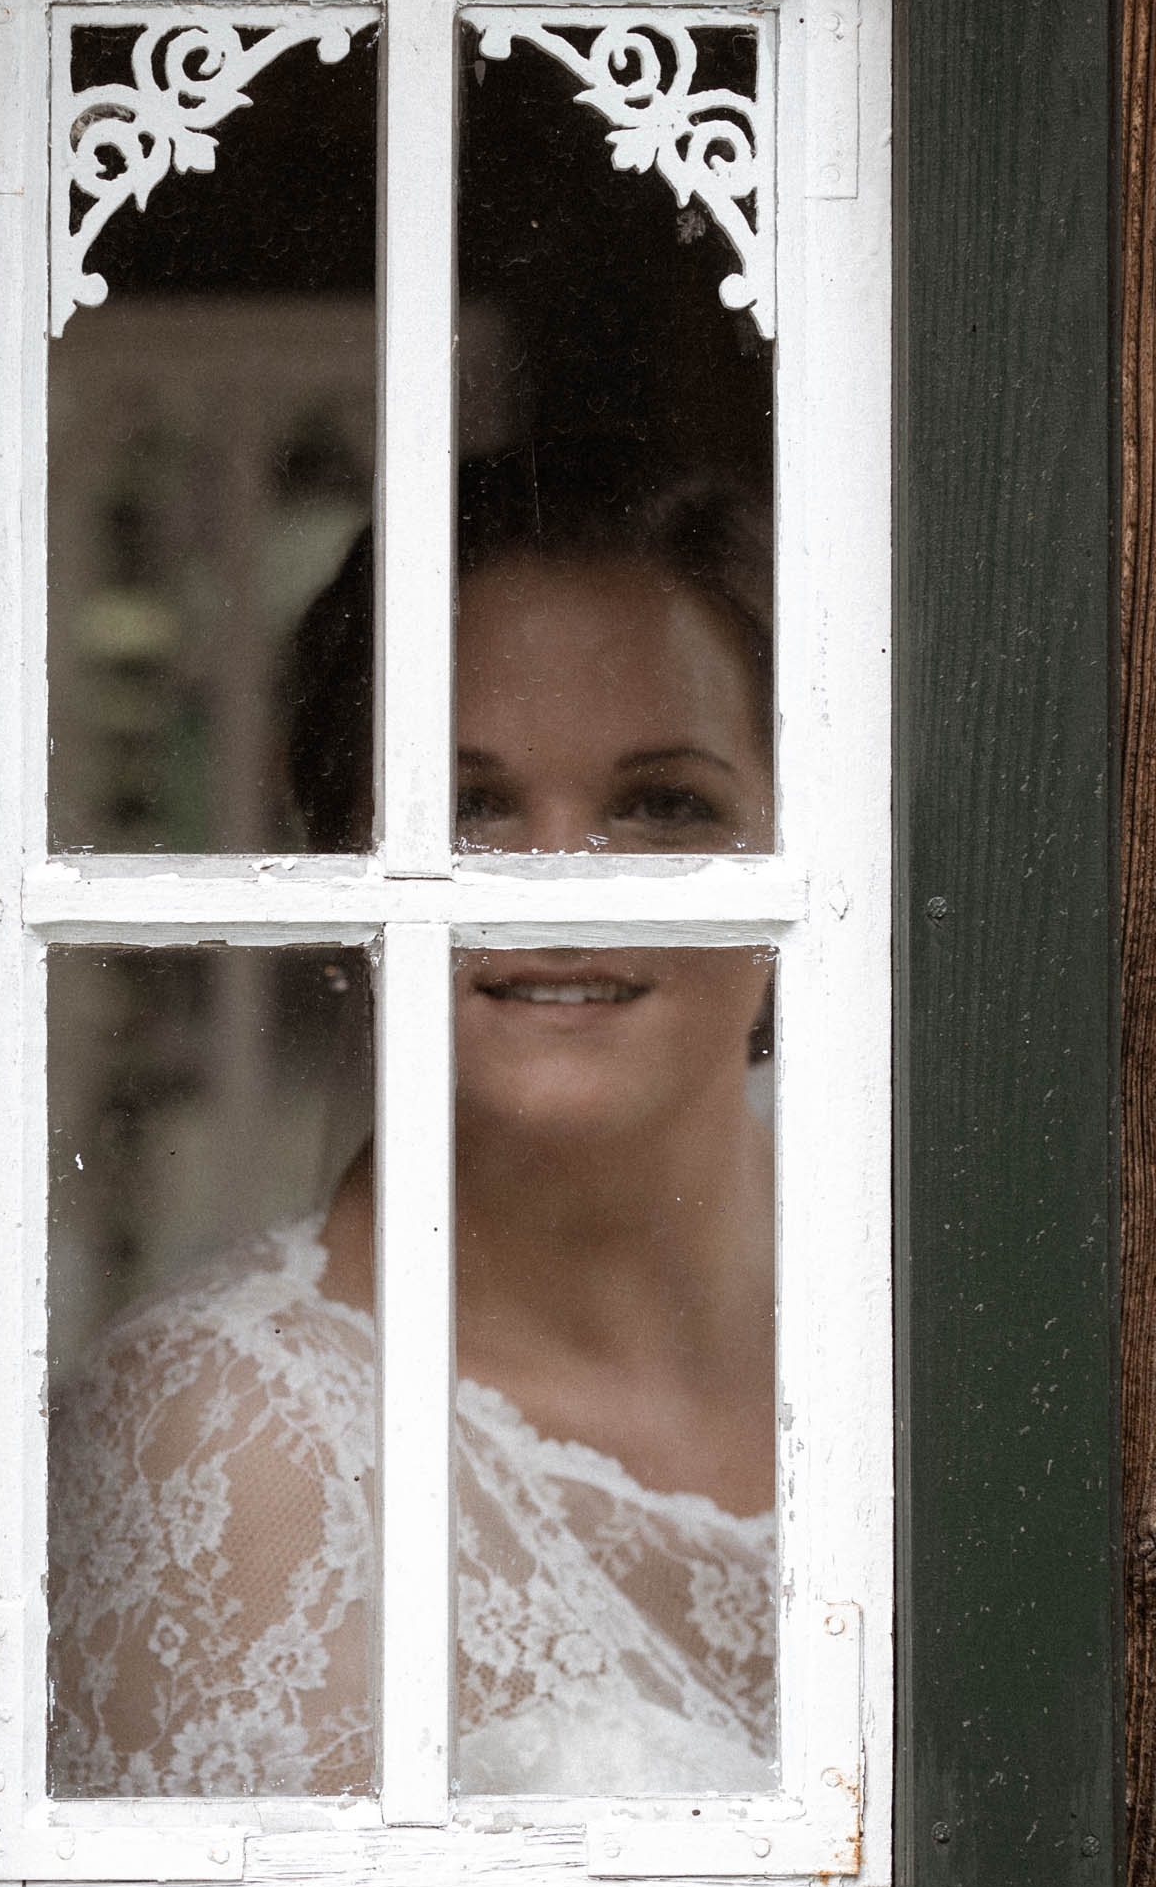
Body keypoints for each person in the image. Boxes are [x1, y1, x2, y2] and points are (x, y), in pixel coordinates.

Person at [48, 441, 778, 1802]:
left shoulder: (946, 1287)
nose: (557, 881)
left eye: (662, 804)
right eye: (468, 806)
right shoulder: (224, 1452)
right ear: (343, 867)